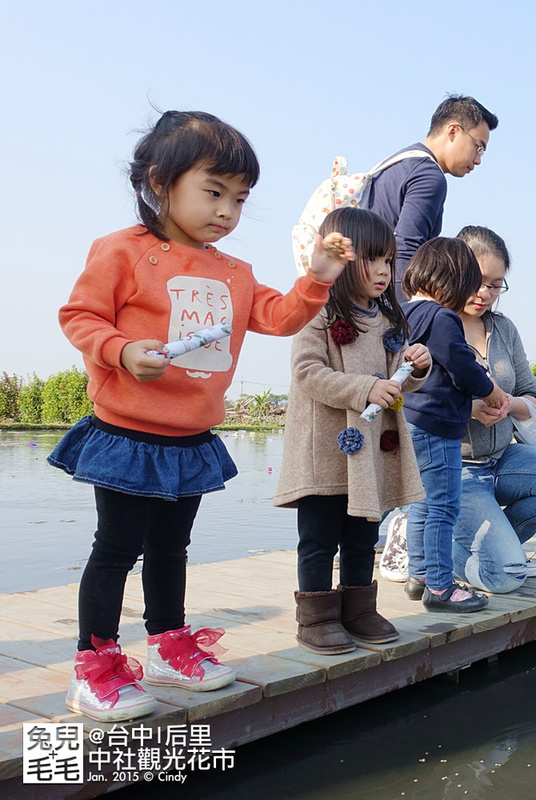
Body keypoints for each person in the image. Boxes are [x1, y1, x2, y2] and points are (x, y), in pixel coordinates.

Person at [48, 110, 353, 722]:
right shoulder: (122, 252)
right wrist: (123, 350)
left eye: (238, 199)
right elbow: (80, 317)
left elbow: (281, 317)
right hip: (128, 432)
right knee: (116, 547)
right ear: (160, 183)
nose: (226, 212)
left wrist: (318, 277)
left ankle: (167, 644)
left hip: (190, 437)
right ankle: (95, 666)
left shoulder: (234, 273)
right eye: (213, 192)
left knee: (172, 548)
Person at [398, 226, 536, 597]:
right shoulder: (428, 321)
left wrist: (508, 405)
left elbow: (531, 396)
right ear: (454, 272)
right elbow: (410, 395)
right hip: (455, 466)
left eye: (496, 285)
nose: (486, 293)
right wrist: (472, 406)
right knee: (504, 577)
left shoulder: (504, 330)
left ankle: (493, 546)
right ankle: (432, 555)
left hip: (503, 457)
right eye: (479, 281)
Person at [273, 208, 432, 653]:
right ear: (342, 261)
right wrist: (366, 388)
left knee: (363, 533)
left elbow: (396, 378)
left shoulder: (386, 319)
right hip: (325, 447)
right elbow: (307, 372)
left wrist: (415, 367)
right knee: (319, 537)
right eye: (373, 260)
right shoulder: (317, 310)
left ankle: (358, 609)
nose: (384, 272)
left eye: (388, 261)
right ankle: (317, 618)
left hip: (370, 452)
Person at [401, 238, 508, 612]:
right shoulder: (441, 316)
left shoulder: (405, 313)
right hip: (438, 426)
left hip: (410, 420)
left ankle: (419, 576)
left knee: (422, 504)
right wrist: (489, 389)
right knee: (444, 507)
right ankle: (441, 587)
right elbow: (459, 362)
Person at [368, 95, 499, 287]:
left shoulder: (397, 162)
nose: (478, 160)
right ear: (453, 131)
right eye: (478, 147)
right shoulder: (429, 176)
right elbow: (405, 251)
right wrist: (407, 313)